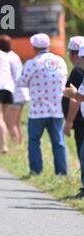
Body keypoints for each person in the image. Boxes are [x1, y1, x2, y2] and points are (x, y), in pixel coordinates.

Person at [19, 33, 68, 176]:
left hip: (38, 110)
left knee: (34, 141)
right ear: (48, 45)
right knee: (58, 142)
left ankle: (36, 170)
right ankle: (61, 172)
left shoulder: (32, 63)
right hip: (57, 109)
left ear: (34, 47)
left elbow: (22, 82)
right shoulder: (60, 61)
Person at [0, 35, 30, 145]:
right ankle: (20, 145)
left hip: (15, 94)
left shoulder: (5, 58)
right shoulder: (14, 56)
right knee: (17, 123)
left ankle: (16, 145)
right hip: (23, 93)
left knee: (9, 123)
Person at [62, 39, 84, 197]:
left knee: (83, 155)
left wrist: (69, 122)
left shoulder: (77, 72)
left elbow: (78, 98)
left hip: (81, 123)